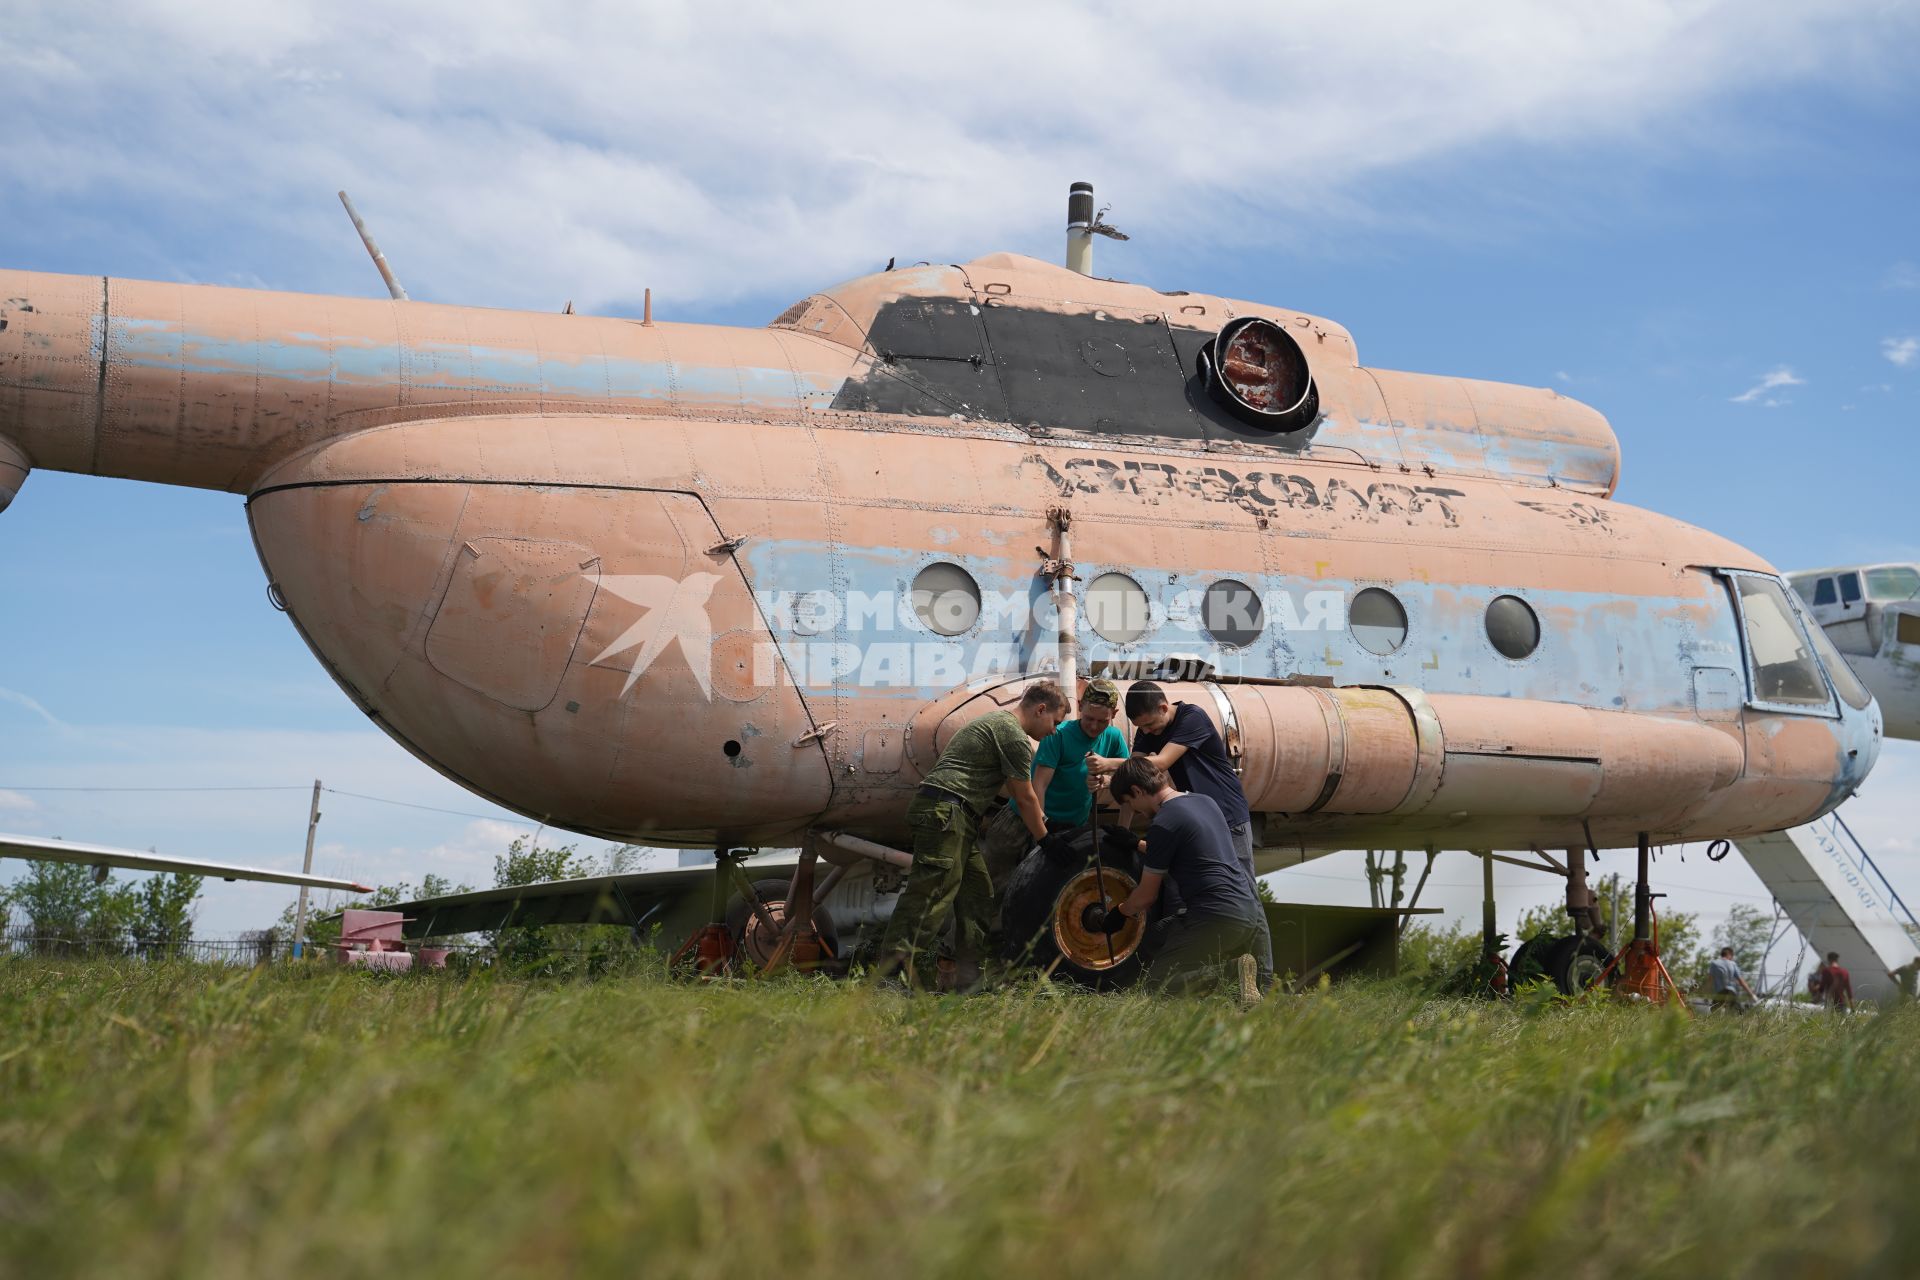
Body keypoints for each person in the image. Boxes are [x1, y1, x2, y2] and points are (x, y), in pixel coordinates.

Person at [877, 682, 1065, 990]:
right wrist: (1045, 840)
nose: (1055, 731)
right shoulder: (1012, 735)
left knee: (978, 895)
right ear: (1040, 709)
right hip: (946, 814)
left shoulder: (997, 723)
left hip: (958, 818)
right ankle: (888, 978)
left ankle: (966, 978)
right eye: (1055, 722)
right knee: (932, 894)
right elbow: (1026, 797)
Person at [1090, 680, 1273, 989]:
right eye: (1141, 729)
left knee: (1246, 896)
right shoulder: (1148, 730)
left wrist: (1107, 764)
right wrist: (1124, 831)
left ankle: (1264, 979)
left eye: (1150, 725)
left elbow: (1158, 764)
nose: (1148, 733)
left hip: (1224, 816)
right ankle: (1194, 975)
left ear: (1164, 708)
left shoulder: (1192, 718)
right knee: (1178, 897)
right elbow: (1134, 780)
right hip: (1187, 814)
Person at [1094, 757, 1264, 1000]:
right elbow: (1188, 847)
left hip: (1214, 917)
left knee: (1157, 986)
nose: (1138, 812)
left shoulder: (1164, 823)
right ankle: (1224, 984)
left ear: (1137, 790)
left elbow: (1145, 897)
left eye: (1132, 804)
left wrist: (1120, 912)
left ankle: (1231, 973)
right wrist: (1135, 843)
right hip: (1245, 911)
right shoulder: (1204, 802)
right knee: (1155, 936)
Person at [978, 679, 1129, 896]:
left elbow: (1127, 777)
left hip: (1070, 829)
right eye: (1088, 718)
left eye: (1102, 721)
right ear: (1079, 706)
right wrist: (1044, 835)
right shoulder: (1058, 734)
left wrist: (1106, 780)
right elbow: (1039, 785)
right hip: (1023, 823)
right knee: (991, 890)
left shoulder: (1113, 738)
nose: (1094, 726)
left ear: (1114, 715)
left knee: (1041, 893)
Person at [1706, 945, 1757, 1010]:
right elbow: (1741, 981)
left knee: (1713, 1010)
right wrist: (1752, 995)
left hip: (1720, 994)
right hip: (1731, 993)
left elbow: (1710, 981)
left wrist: (1706, 995)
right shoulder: (1733, 964)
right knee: (1736, 1011)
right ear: (1729, 954)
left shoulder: (1714, 963)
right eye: (1732, 956)